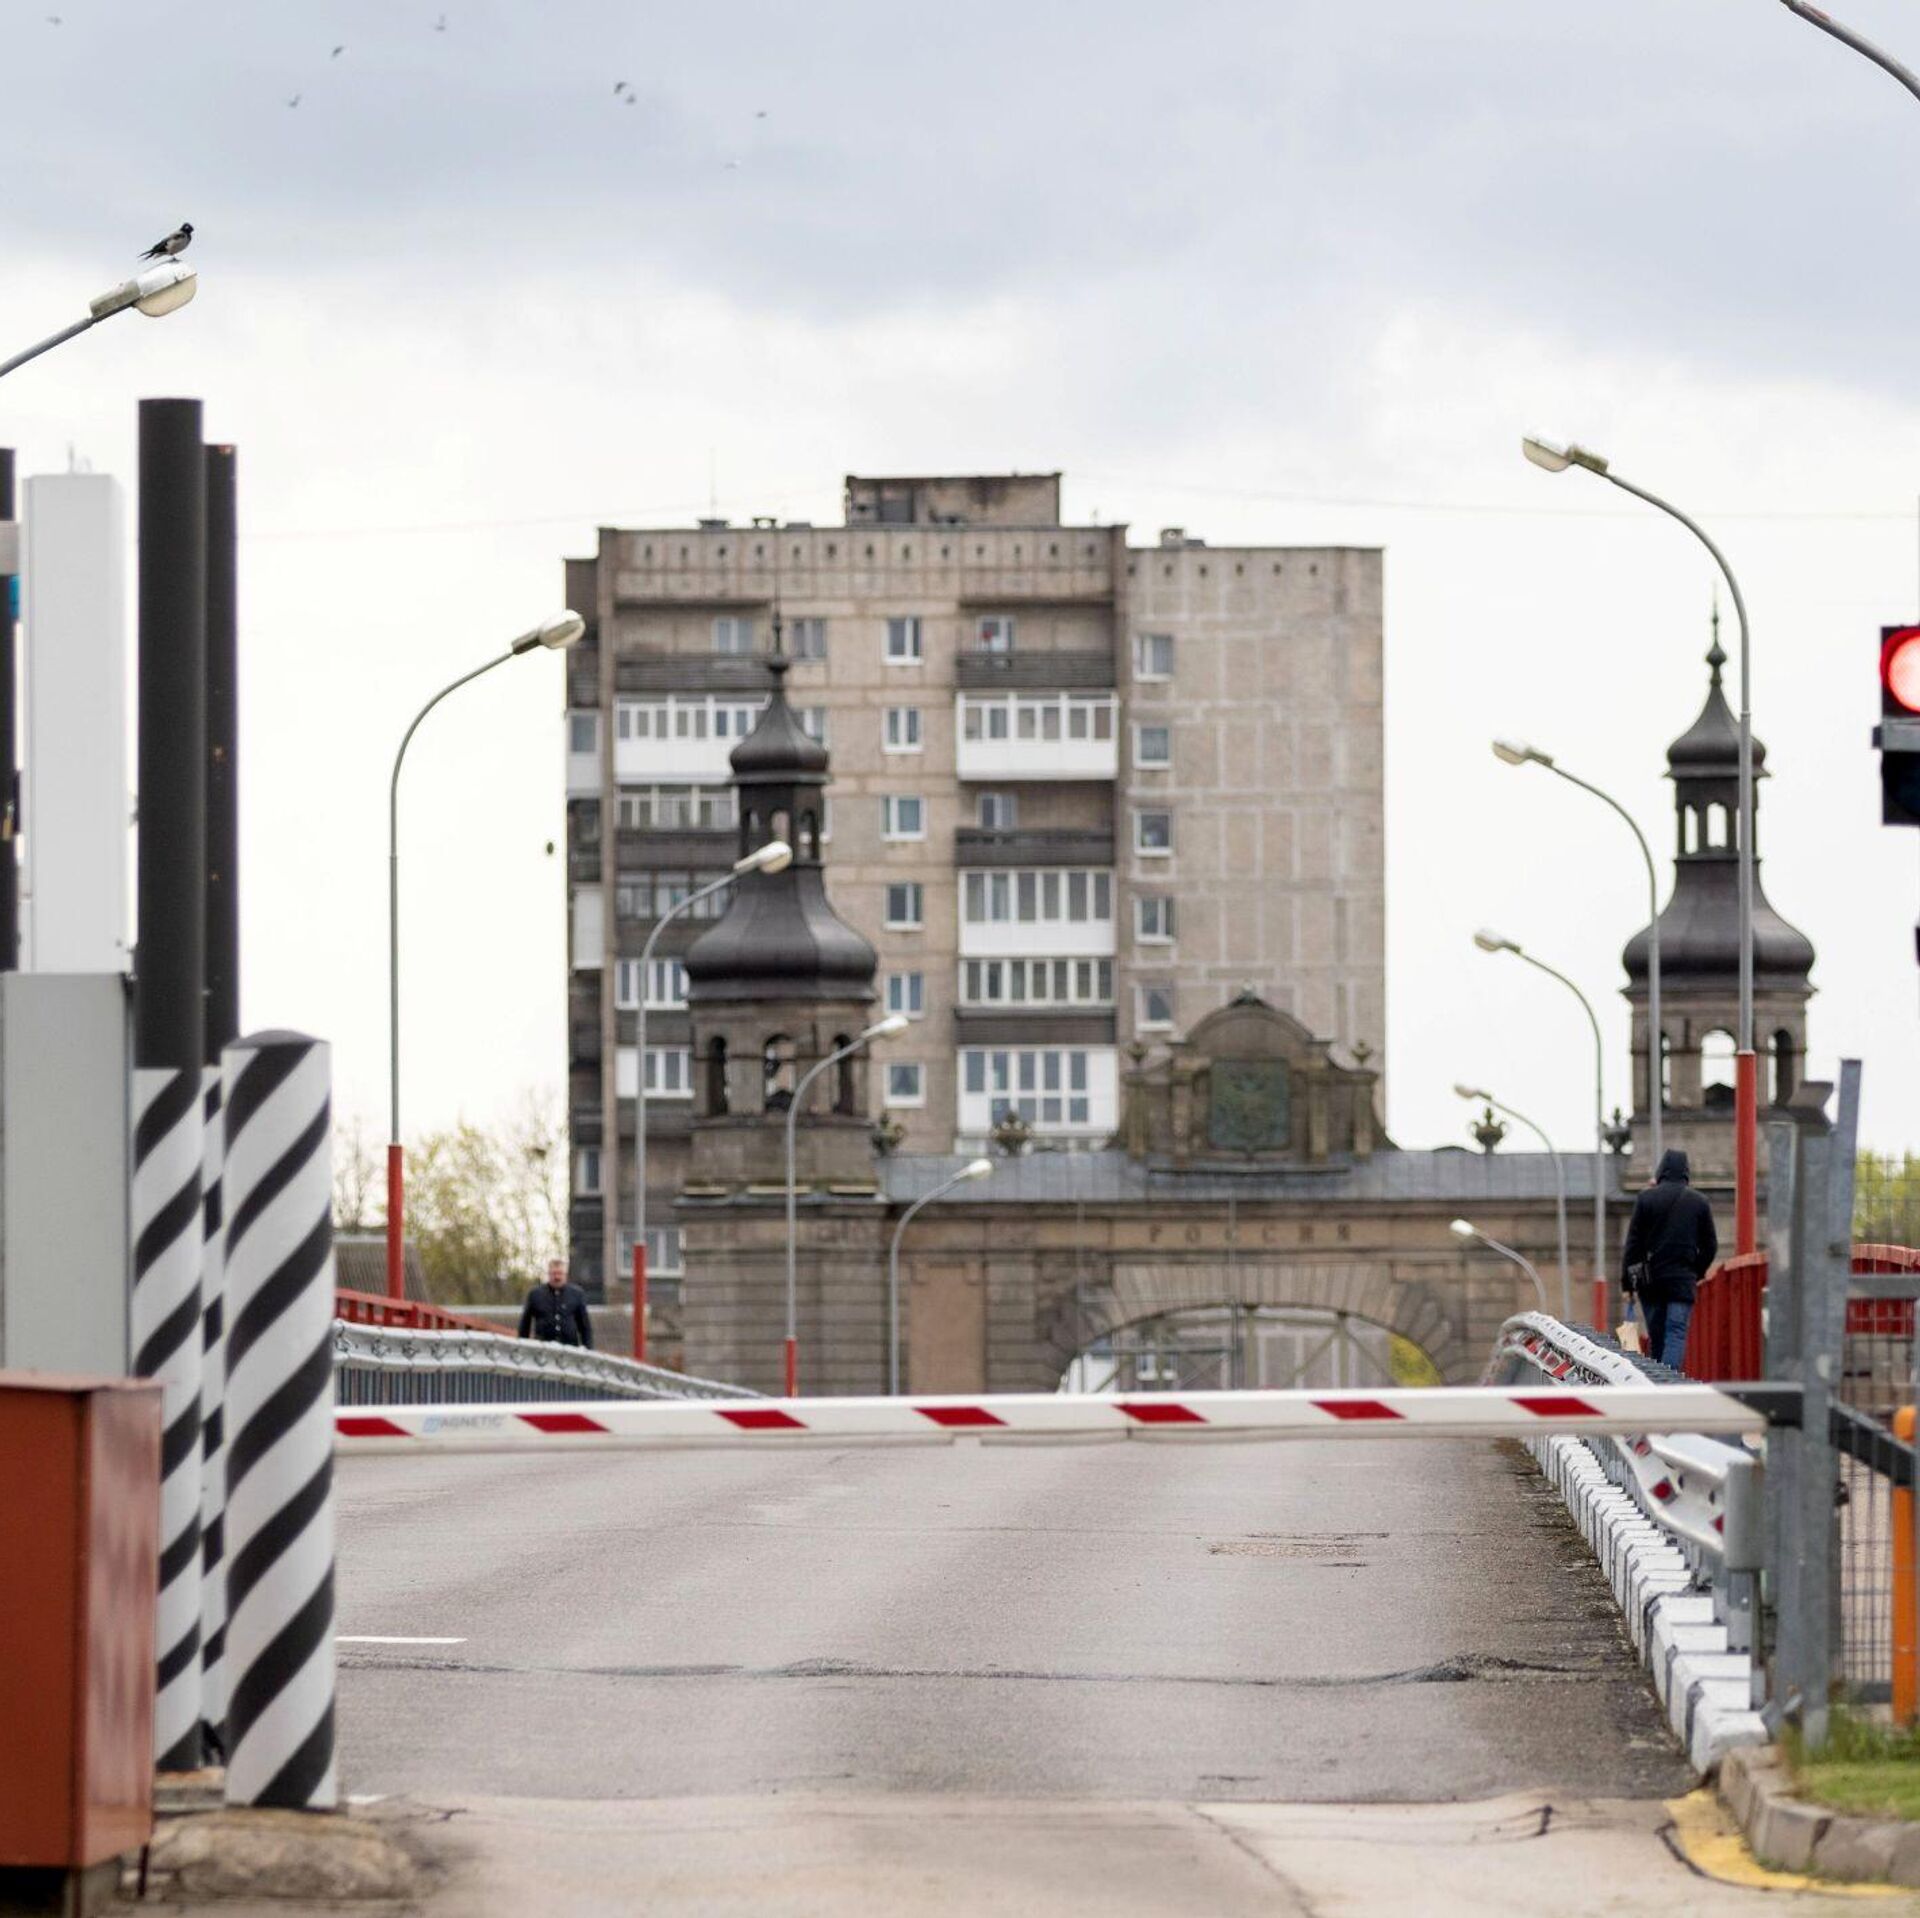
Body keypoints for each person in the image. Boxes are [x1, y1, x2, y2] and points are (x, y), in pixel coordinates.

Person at [1621, 1148, 1717, 1371]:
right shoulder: (1699, 1202)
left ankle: (1657, 1380)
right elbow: (1710, 1245)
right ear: (1686, 1173)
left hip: (1651, 1281)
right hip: (1682, 1280)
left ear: (1661, 1171)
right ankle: (1668, 1381)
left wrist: (1628, 1284)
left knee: (1657, 1336)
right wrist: (1696, 1272)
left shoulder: (1646, 1199)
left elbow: (1633, 1245)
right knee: (1675, 1332)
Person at [518, 1259, 594, 1349]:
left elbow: (585, 1326)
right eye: (554, 1274)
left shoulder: (577, 1294)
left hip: (570, 1348)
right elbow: (525, 1325)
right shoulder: (535, 1294)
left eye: (560, 1273)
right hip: (542, 1348)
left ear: (565, 1275)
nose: (557, 1277)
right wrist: (522, 1347)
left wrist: (588, 1349)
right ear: (548, 1274)